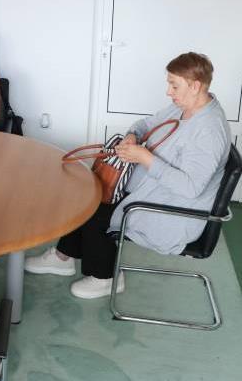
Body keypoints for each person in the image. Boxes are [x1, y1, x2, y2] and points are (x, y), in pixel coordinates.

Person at [25, 52, 231, 299]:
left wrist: (145, 158)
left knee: (94, 212)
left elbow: (190, 188)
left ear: (195, 86)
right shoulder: (182, 108)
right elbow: (144, 125)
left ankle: (106, 278)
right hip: (149, 189)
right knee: (86, 193)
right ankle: (63, 257)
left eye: (174, 85)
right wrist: (132, 136)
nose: (168, 92)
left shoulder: (209, 131)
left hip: (172, 211)